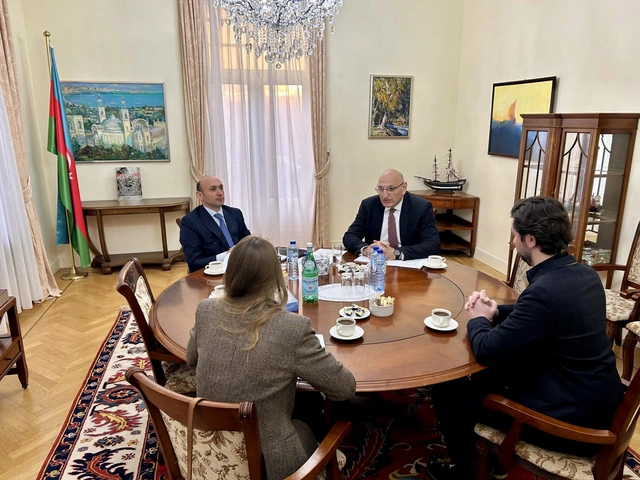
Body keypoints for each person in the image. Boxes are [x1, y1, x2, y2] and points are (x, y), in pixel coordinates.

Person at [428, 196, 624, 480]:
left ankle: (462, 472)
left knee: (448, 390)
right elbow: (539, 315)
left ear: (531, 240)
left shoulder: (544, 291)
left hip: (572, 425)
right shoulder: (584, 274)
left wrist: (478, 318)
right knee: (488, 375)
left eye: (514, 235)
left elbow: (485, 349)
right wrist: (496, 311)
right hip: (598, 403)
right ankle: (485, 454)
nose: (512, 242)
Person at [186, 236, 356, 479]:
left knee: (307, 401)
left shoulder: (206, 310)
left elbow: (191, 360)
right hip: (268, 464)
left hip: (207, 451)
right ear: (275, 279)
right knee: (312, 408)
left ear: (230, 273)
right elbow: (344, 388)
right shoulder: (292, 328)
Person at [342, 169, 440, 260]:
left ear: (404, 188)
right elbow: (350, 236)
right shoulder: (369, 205)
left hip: (407, 264)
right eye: (381, 189)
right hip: (376, 263)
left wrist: (395, 253)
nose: (384, 195)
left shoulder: (421, 207)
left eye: (391, 189)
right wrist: (366, 249)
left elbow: (432, 244)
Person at [179, 176, 251, 272]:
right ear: (200, 195)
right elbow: (194, 263)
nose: (220, 193)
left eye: (221, 188)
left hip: (244, 268)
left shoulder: (235, 213)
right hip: (215, 272)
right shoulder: (190, 221)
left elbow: (247, 242)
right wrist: (227, 255)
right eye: (213, 189)